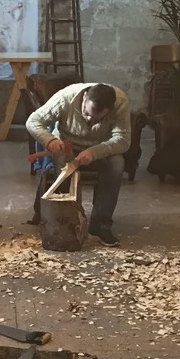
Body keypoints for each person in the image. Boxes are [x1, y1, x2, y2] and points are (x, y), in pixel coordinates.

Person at [26, 82, 131, 247]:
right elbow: (33, 121)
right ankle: (65, 219)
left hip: (99, 148)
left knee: (117, 164)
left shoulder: (120, 103)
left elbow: (123, 140)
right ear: (84, 98)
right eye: (86, 113)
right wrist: (50, 140)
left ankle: (100, 224)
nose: (89, 120)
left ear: (110, 110)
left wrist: (94, 152)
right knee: (62, 165)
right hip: (67, 146)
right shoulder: (65, 97)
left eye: (97, 118)